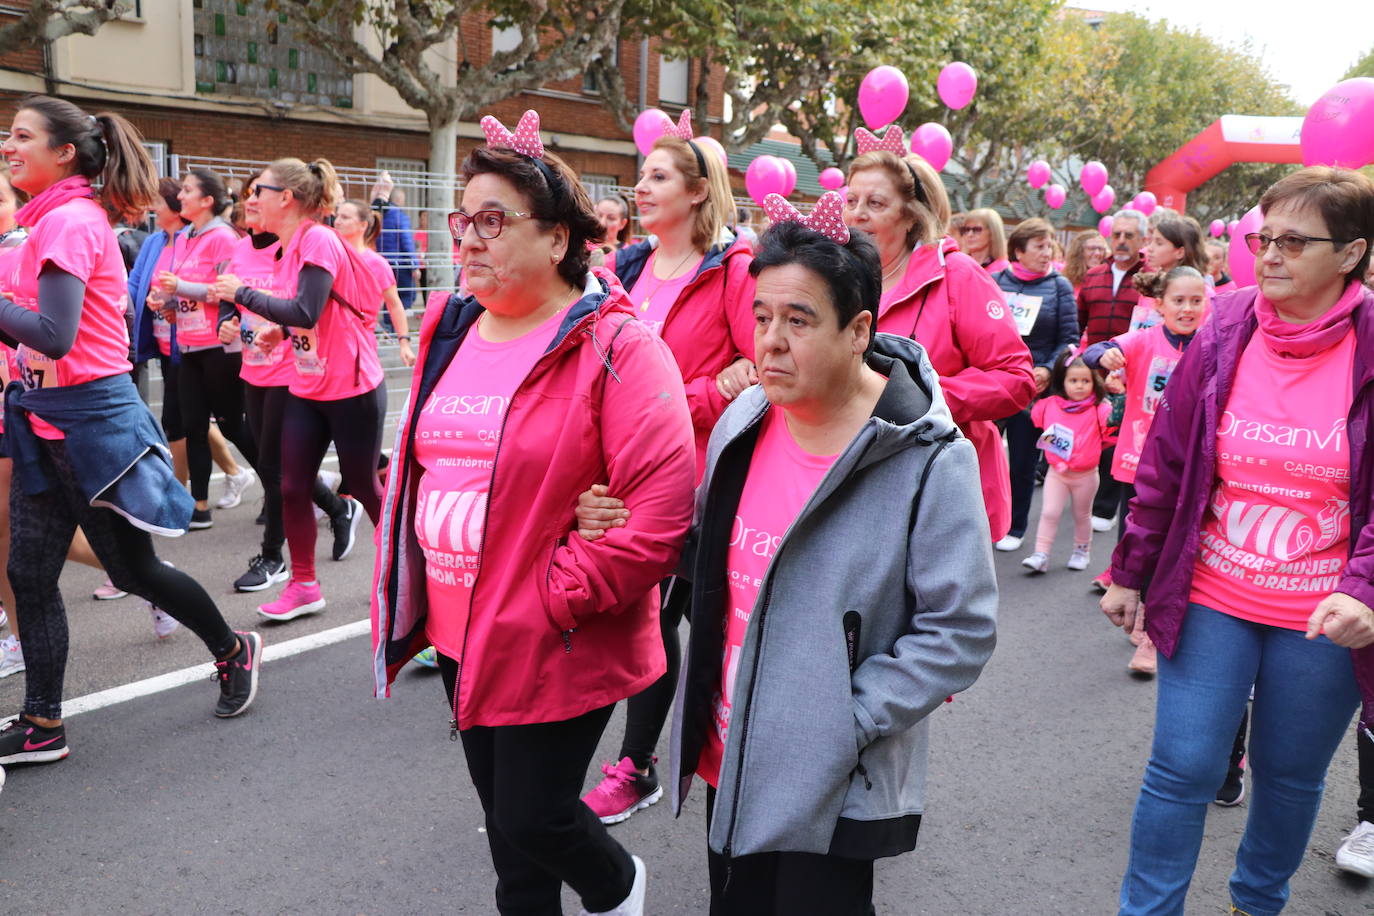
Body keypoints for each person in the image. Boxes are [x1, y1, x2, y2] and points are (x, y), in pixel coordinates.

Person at [577, 199, 998, 915]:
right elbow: (705, 552)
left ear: (859, 330)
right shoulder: (745, 421)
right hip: (727, 752)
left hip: (830, 773)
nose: (768, 342)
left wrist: (845, 719)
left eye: (798, 321)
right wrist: (618, 522)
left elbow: (961, 630)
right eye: (762, 316)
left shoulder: (929, 459)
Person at [371, 110, 696, 916]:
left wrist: (559, 594)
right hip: (460, 628)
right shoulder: (454, 324)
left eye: (494, 221)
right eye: (463, 220)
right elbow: (429, 461)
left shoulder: (619, 345)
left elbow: (656, 512)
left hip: (551, 627)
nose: (470, 239)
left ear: (556, 239)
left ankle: (620, 888)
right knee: (507, 841)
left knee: (534, 816)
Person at [1100, 165, 1374, 916]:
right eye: (1264, 237)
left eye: (1294, 240)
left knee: (1289, 776)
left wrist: (1365, 592)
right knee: (1181, 767)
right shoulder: (1227, 324)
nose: (1270, 254)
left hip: (1322, 616)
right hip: (1213, 592)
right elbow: (1169, 461)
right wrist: (1129, 570)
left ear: (1350, 254)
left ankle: (1255, 904)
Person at [0, 96, 261, 767]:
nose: (7, 144)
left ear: (63, 153)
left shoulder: (69, 223)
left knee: (131, 568)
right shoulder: (48, 222)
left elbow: (55, 337)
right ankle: (43, 723)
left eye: (21, 136)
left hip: (94, 420)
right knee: (28, 572)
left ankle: (233, 649)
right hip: (43, 418)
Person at [580, 130, 756, 826]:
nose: (640, 188)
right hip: (623, 469)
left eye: (657, 177)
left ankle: (641, 764)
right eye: (640, 177)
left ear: (697, 191)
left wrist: (693, 398)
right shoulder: (632, 264)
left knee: (656, 617)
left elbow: (756, 375)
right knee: (630, 614)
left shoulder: (734, 272)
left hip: (697, 478)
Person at [210, 157, 385, 621]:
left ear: (285, 198)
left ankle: (404, 570)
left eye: (258, 191)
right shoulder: (290, 246)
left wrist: (241, 294)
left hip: (351, 384)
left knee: (365, 486)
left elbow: (306, 309)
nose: (250, 198)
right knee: (291, 485)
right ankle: (305, 585)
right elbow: (311, 315)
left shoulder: (318, 239)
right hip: (307, 383)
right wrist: (280, 333)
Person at [843, 140, 1035, 542]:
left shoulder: (957, 276)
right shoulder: (835, 279)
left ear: (910, 217)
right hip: (855, 484)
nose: (857, 214)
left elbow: (1017, 379)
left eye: (875, 203)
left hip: (940, 486)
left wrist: (924, 396)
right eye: (851, 200)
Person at [1086, 265, 1207, 675]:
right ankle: (1133, 607)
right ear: (1160, 305)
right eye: (1178, 300)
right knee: (1134, 547)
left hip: (1191, 469)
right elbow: (1090, 352)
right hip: (1137, 462)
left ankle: (1151, 633)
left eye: (1196, 300)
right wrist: (1103, 355)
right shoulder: (1144, 340)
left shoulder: (1212, 345)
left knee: (1174, 551)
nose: (1187, 309)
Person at [155, 168, 258, 529]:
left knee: (233, 427)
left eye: (186, 191)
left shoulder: (224, 238)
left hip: (220, 347)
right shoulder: (184, 237)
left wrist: (180, 286)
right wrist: (167, 303)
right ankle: (199, 506)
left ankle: (286, 488)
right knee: (193, 425)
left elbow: (225, 292)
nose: (179, 196)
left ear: (207, 201)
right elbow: (188, 291)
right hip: (188, 346)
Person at [992, 217, 1079, 553]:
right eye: (1039, 246)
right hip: (994, 383)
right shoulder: (995, 281)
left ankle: (1015, 526)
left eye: (1050, 246)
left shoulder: (1060, 287)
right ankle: (983, 517)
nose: (1047, 253)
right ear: (1018, 250)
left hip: (1032, 389)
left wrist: (1045, 369)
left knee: (1023, 461)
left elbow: (1069, 340)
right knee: (978, 454)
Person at [1078, 208, 1148, 572]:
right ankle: (1088, 503)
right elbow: (1081, 322)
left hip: (1131, 376)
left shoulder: (1151, 280)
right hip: (1093, 368)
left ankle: (1107, 507)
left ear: (1142, 241)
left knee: (1119, 443)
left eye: (1129, 236)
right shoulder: (1093, 276)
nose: (1121, 241)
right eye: (1116, 234)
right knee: (1093, 436)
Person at [1020, 349, 1113, 573]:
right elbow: (1031, 414)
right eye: (1073, 380)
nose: (1079, 386)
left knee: (1082, 515)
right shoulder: (1049, 404)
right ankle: (1041, 554)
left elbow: (1112, 425)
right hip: (1056, 473)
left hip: (1086, 475)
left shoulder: (1100, 408)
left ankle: (1082, 551)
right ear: (1063, 381)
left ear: (1094, 382)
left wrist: (1116, 395)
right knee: (1049, 512)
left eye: (1085, 381)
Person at [1129, 214, 1209, 331]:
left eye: (1159, 243)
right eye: (1151, 241)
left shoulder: (1202, 292)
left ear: (1180, 252)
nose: (1150, 248)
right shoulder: (1149, 286)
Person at [371, 173, 417, 311]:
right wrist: (414, 265)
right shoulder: (400, 216)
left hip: (382, 261)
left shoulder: (378, 214)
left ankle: (388, 322)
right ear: (400, 200)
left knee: (387, 296)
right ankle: (395, 326)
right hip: (400, 264)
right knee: (404, 296)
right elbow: (407, 242)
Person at [957, 207, 1010, 274]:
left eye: (977, 230)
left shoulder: (1003, 269)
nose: (970, 234)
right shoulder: (957, 263)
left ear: (992, 233)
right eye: (966, 229)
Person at [1064, 229, 1110, 294]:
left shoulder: (1109, 281)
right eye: (1091, 248)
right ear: (1079, 252)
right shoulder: (1065, 282)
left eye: (1100, 249)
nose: (1097, 253)